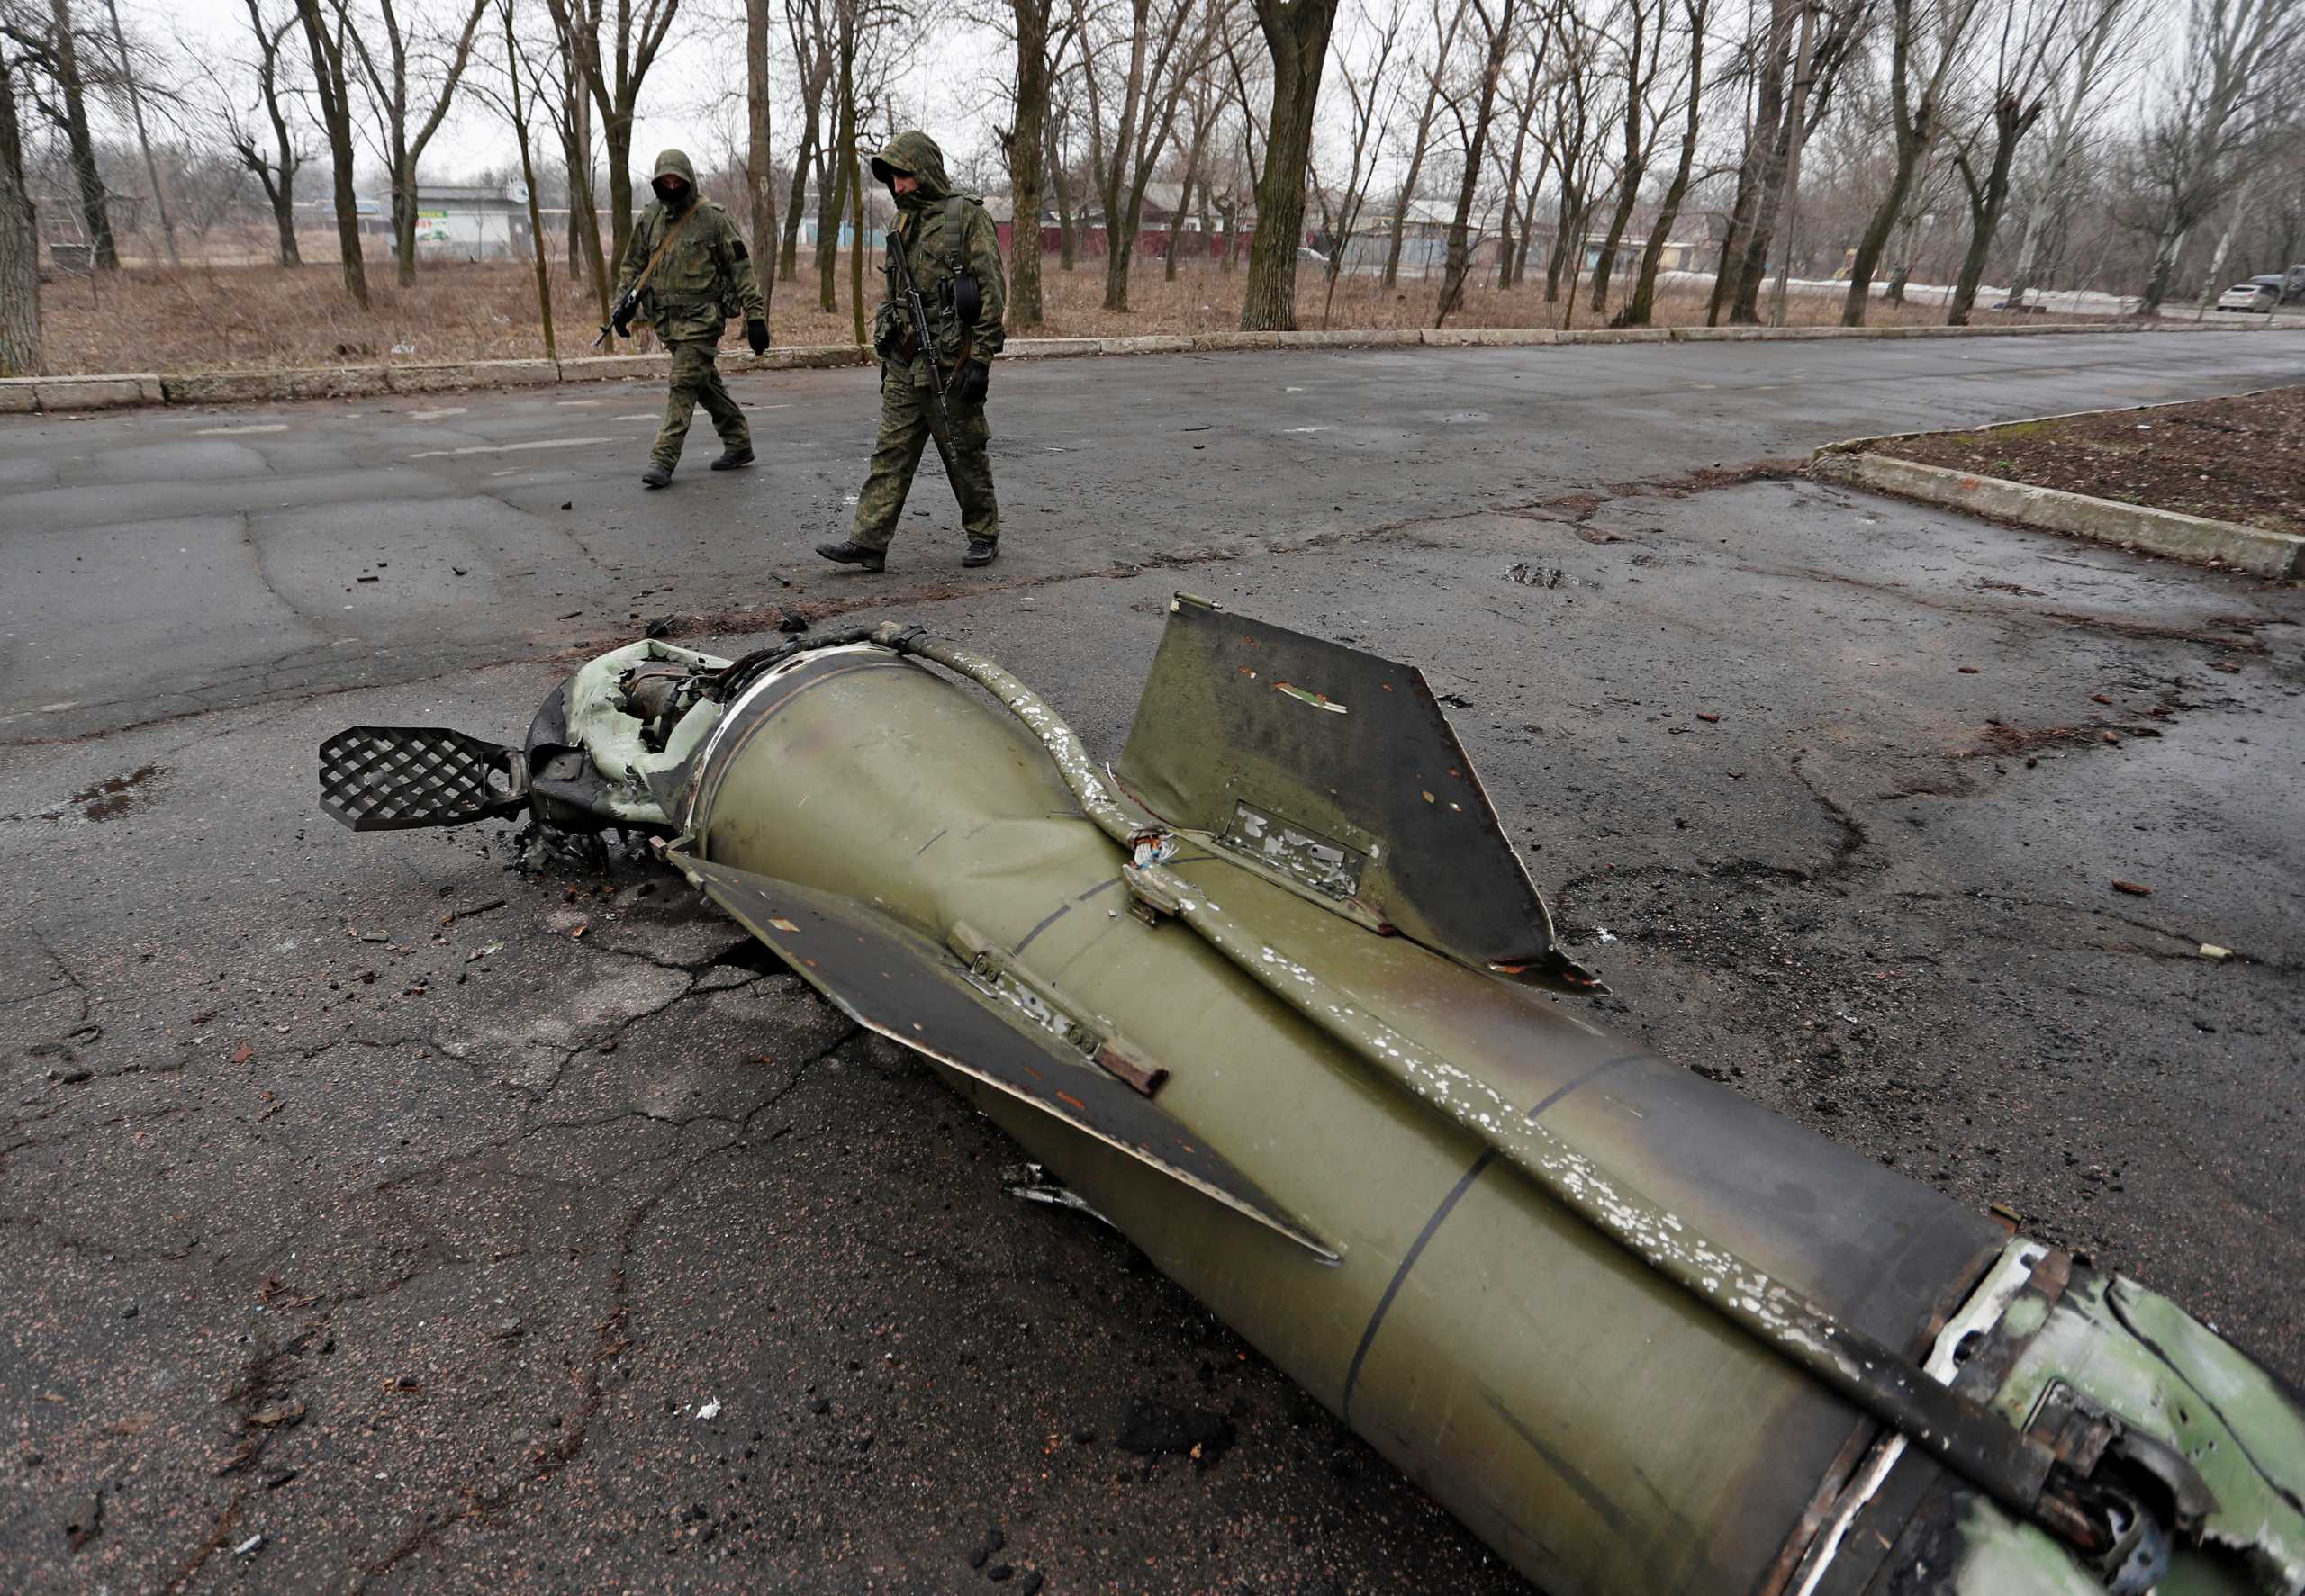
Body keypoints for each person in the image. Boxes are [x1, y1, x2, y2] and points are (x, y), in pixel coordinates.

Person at [816, 130, 1005, 573]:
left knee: (963, 451)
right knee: (890, 454)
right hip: (906, 360)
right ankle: (868, 541)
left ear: (924, 173)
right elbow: (893, 295)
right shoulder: (902, 224)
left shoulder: (966, 217)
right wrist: (887, 352)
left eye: (904, 176)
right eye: (892, 178)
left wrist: (981, 357)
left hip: (951, 361)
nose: (897, 187)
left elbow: (991, 290)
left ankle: (983, 533)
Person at [612, 149, 770, 489]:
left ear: (688, 179)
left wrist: (755, 317)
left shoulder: (712, 218)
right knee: (704, 384)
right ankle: (739, 443)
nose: (671, 186)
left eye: (677, 180)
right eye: (665, 181)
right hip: (667, 321)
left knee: (683, 384)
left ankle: (663, 459)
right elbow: (632, 264)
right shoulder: (650, 217)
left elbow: (741, 269)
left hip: (703, 319)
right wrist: (622, 305)